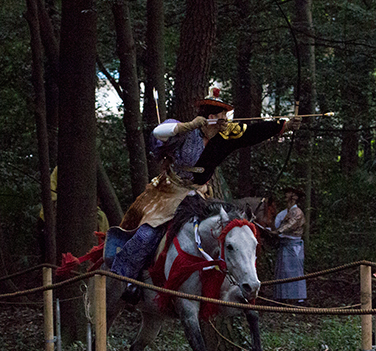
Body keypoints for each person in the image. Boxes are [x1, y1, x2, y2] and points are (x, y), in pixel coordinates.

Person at [111, 87, 300, 302]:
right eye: (221, 116)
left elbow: (252, 131)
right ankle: (128, 279)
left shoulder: (226, 135)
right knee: (147, 234)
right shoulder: (185, 132)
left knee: (216, 233)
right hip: (169, 191)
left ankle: (212, 288)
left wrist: (284, 125)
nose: (225, 120)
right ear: (210, 118)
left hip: (197, 194)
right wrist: (189, 125)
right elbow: (158, 133)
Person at [272, 187, 306, 304]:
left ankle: (297, 297)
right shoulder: (283, 212)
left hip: (293, 245)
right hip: (284, 244)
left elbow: (291, 224)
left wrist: (278, 231)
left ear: (295, 197)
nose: (286, 195)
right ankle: (282, 296)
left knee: (294, 270)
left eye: (289, 193)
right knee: (282, 271)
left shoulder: (297, 212)